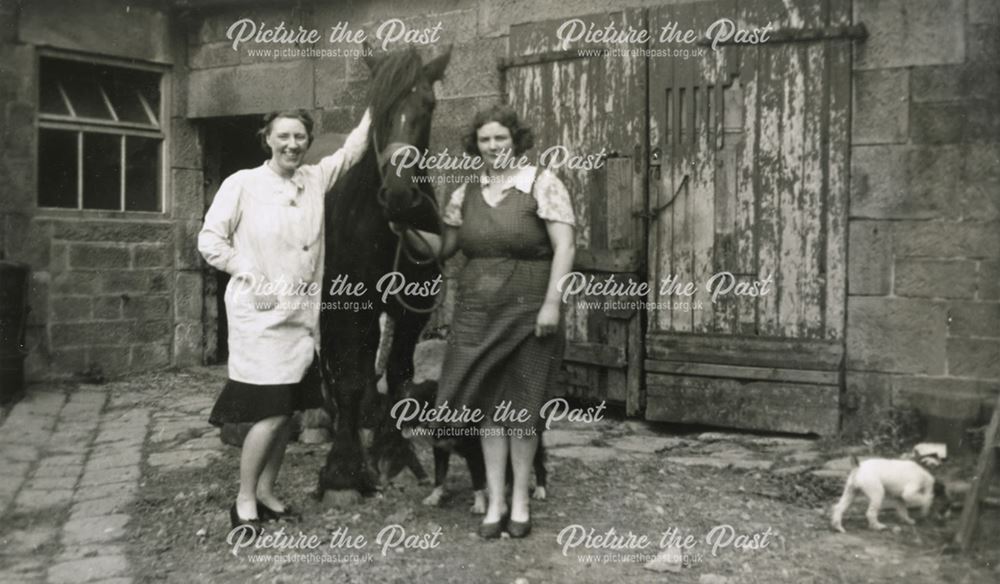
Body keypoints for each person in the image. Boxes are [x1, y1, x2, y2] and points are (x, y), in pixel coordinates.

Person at [399, 104, 575, 539]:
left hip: (530, 310)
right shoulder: (466, 192)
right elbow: (445, 248)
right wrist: (402, 224)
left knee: (523, 410)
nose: (493, 146)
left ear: (515, 139)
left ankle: (519, 502)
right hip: (477, 314)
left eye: (500, 138)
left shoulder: (542, 184)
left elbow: (566, 248)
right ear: (475, 146)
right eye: (485, 140)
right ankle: (494, 500)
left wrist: (552, 303)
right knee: (488, 412)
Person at [199, 107, 370, 531]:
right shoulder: (242, 184)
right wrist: (249, 271)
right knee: (271, 412)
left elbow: (352, 150)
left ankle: (266, 493)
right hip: (259, 319)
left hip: (300, 320)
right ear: (268, 139)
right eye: (284, 136)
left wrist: (378, 102)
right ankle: (242, 503)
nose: (292, 144)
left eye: (299, 137)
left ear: (307, 142)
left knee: (288, 410)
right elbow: (210, 241)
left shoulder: (313, 180)